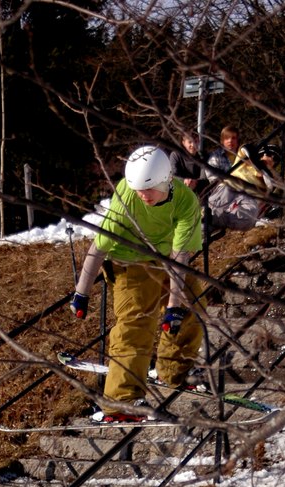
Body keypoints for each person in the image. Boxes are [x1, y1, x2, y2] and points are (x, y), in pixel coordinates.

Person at [69, 145, 204, 423]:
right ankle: (121, 400)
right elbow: (99, 247)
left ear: (167, 180)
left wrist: (174, 307)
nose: (143, 195)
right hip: (128, 261)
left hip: (166, 258)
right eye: (138, 189)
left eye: (149, 189)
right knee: (136, 324)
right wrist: (81, 293)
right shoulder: (127, 198)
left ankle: (174, 370)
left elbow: (180, 257)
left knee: (193, 304)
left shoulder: (186, 202)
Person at [206, 141, 280, 232]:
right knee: (225, 195)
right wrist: (258, 165)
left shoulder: (268, 178)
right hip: (231, 186)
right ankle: (208, 217)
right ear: (262, 154)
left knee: (250, 211)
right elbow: (246, 147)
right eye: (270, 155)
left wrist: (265, 173)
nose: (271, 159)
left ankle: (215, 221)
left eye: (275, 159)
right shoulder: (245, 161)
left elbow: (270, 189)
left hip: (246, 198)